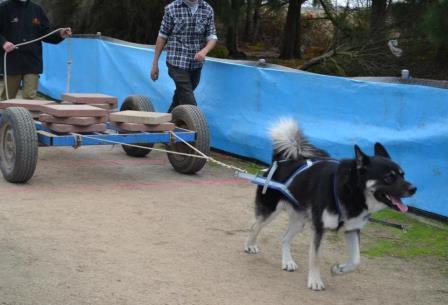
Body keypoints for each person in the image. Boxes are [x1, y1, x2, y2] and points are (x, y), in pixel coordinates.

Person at [151, 0, 217, 112]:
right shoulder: (172, 8)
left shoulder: (207, 9)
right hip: (176, 61)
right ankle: (197, 124)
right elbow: (162, 37)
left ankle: (169, 121)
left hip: (196, 63)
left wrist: (204, 51)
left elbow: (212, 37)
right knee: (189, 100)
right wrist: (155, 64)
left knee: (182, 95)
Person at [0, 0, 71, 100]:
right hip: (11, 61)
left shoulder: (37, 9)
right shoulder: (4, 7)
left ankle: (28, 116)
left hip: (32, 61)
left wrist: (59, 34)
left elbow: (45, 34)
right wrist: (3, 43)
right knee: (7, 98)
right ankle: (4, 115)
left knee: (29, 98)